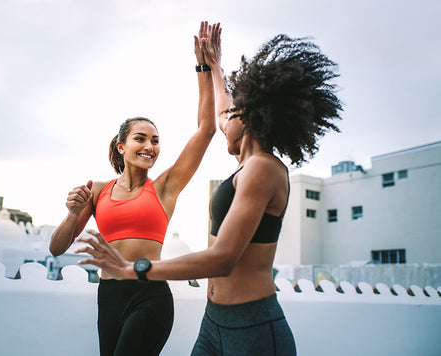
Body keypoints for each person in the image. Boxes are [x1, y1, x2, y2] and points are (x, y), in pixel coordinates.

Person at [75, 23, 342, 356]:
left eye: (233, 112)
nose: (225, 114)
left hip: (253, 325)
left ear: (252, 118)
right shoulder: (247, 162)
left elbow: (223, 259)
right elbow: (217, 111)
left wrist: (133, 269)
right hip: (213, 322)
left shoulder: (262, 168)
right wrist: (211, 65)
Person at [49, 22, 216, 356]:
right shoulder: (96, 190)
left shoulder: (165, 187)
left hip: (150, 296)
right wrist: (71, 215)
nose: (150, 146)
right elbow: (56, 248)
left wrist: (204, 68)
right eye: (140, 138)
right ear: (121, 146)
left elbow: (207, 129)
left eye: (155, 141)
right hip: (108, 297)